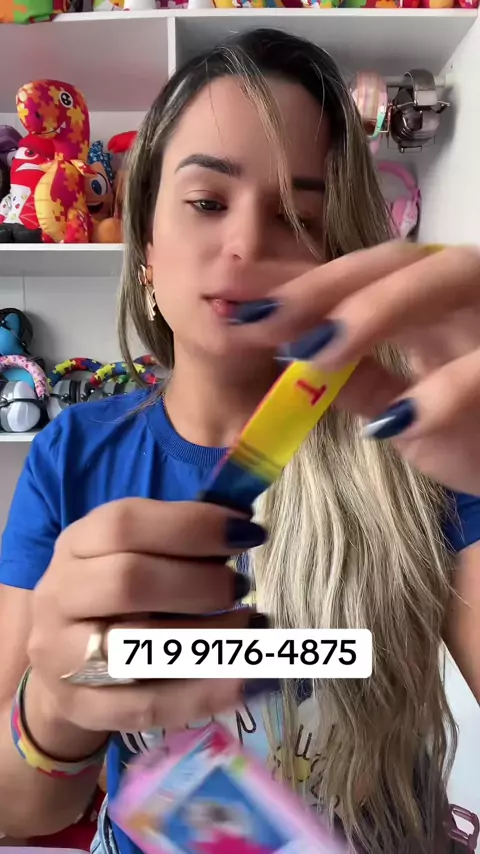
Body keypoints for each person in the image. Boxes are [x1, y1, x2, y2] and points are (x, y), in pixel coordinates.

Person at [0, 27, 479, 854]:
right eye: (207, 202)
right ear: (146, 246)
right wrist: (55, 704)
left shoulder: (426, 442)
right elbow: (21, 811)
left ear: (338, 251)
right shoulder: (75, 454)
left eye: (299, 215)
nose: (248, 245)